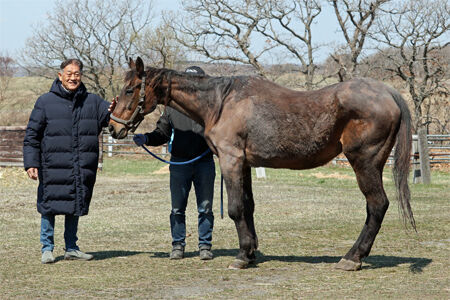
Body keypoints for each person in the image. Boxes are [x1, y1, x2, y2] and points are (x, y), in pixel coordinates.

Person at [23, 58, 112, 264]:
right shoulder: (45, 102)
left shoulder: (93, 102)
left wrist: (117, 107)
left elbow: (112, 118)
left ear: (81, 76)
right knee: (49, 206)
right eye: (69, 73)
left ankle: (71, 248)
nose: (73, 77)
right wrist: (31, 163)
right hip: (52, 165)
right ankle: (47, 248)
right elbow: (31, 136)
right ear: (60, 75)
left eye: (77, 74)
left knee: (75, 203)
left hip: (80, 166)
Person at [133, 66, 216, 260]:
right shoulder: (172, 108)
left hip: (204, 163)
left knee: (205, 208)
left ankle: (205, 246)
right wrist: (146, 139)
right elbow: (162, 133)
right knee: (177, 209)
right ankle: (178, 245)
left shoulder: (210, 107)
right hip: (179, 164)